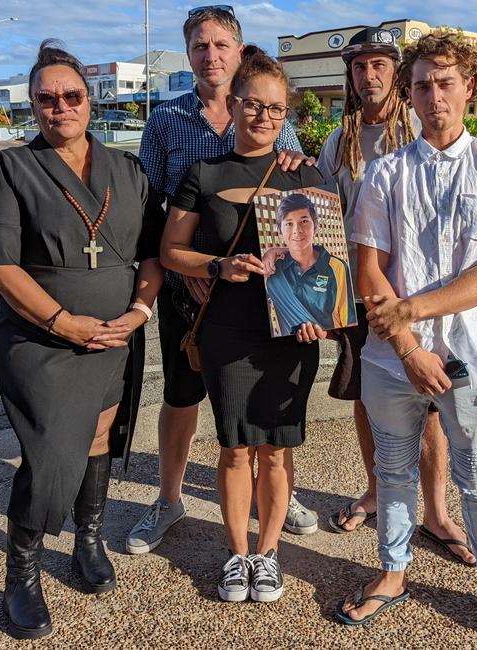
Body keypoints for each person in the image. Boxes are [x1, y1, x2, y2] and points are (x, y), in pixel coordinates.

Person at [338, 30, 477, 650]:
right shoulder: (384, 172)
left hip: (466, 355)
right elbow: (368, 268)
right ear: (408, 93)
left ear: (470, 87)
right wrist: (408, 344)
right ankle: (394, 571)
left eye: (445, 82)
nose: (433, 95)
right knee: (395, 467)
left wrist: (409, 311)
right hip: (391, 358)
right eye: (422, 84)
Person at [0, 40, 163, 640]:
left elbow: (152, 254)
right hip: (41, 341)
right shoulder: (9, 168)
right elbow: (2, 266)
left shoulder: (128, 169)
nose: (61, 107)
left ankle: (88, 540)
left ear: (90, 98)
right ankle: (20, 573)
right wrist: (62, 321)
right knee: (53, 451)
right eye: (46, 99)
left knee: (101, 433)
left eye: (72, 95)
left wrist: (138, 310)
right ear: (32, 107)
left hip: (116, 335)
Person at [126, 5, 317, 556]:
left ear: (239, 51)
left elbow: (298, 203)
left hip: (262, 289)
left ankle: (279, 497)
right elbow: (151, 208)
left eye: (220, 45)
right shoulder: (166, 119)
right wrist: (188, 272)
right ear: (189, 55)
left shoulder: (276, 116)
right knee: (183, 393)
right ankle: (168, 498)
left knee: (266, 397)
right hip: (190, 281)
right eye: (199, 46)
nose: (210, 55)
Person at [160, 46, 325, 603]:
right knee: (234, 448)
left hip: (290, 331)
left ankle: (269, 552)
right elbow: (170, 252)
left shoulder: (303, 173)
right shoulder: (202, 174)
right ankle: (237, 554)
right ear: (233, 105)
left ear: (286, 116)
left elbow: (324, 263)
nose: (264, 118)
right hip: (227, 330)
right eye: (253, 105)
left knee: (277, 450)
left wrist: (321, 318)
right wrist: (218, 265)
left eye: (276, 110)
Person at [316, 25, 476, 566]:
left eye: (380, 65)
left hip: (421, 295)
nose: (369, 75)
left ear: (399, 75)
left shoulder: (420, 132)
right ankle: (377, 488)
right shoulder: (337, 142)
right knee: (367, 394)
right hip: (360, 293)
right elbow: (320, 216)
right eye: (360, 67)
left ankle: (434, 511)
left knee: (429, 403)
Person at [265, 192, 356, 336]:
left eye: (304, 221)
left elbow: (349, 321)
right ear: (280, 232)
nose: (297, 230)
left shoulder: (336, 267)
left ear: (316, 226)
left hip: (328, 346)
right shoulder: (274, 270)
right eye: (289, 224)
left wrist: (328, 345)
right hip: (285, 350)